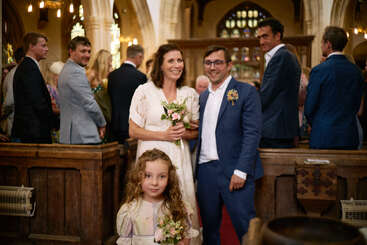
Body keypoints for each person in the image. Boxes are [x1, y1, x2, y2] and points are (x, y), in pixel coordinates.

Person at [129, 43, 201, 244]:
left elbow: (195, 131)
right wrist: (164, 135)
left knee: (180, 203)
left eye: (179, 60)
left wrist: (184, 132)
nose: (177, 65)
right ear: (160, 65)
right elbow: (133, 130)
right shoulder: (144, 91)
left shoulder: (189, 93)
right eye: (171, 60)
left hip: (179, 157)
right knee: (152, 206)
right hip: (151, 156)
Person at [196, 45, 263, 244]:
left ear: (229, 65)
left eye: (218, 62)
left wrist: (241, 170)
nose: (212, 67)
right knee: (209, 230)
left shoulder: (245, 92)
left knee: (245, 228)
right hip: (205, 171)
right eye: (208, 63)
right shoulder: (202, 97)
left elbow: (252, 133)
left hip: (234, 170)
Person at [116, 148, 198, 244]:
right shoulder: (130, 210)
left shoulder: (177, 207)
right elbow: (125, 241)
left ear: (169, 178)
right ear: (138, 176)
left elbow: (186, 236)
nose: (154, 183)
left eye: (162, 176)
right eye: (148, 176)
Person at [305, 26, 363, 149]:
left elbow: (309, 106)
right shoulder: (356, 71)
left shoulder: (319, 70)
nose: (321, 45)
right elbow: (357, 104)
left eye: (322, 42)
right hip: (348, 135)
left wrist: (317, 124)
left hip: (323, 135)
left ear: (328, 44)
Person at [257, 18, 301, 148]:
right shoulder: (283, 56)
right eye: (259, 37)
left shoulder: (282, 57)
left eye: (265, 36)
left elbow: (266, 95)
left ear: (278, 36)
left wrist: (243, 106)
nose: (261, 41)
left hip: (276, 129)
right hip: (279, 129)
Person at [58, 36, 106, 144]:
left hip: (73, 134)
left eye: (89, 51)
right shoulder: (75, 72)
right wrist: (102, 123)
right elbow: (89, 103)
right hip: (82, 135)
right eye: (83, 51)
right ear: (71, 51)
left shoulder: (67, 69)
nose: (87, 55)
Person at [12, 32, 56, 143]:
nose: (47, 49)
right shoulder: (29, 68)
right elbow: (37, 102)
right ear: (31, 46)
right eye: (43, 45)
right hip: (33, 131)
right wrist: (54, 120)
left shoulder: (29, 66)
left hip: (32, 129)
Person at [108, 45, 147, 144]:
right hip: (133, 125)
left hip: (114, 124)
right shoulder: (140, 77)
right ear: (139, 56)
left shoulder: (112, 75)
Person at [87, 49, 113, 142]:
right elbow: (84, 92)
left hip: (105, 111)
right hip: (96, 112)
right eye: (109, 61)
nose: (111, 63)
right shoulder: (92, 74)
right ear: (104, 61)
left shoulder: (106, 74)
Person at [1, 47, 25, 136]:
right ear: (22, 59)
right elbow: (9, 102)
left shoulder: (20, 72)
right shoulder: (15, 75)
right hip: (13, 122)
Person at [46, 61, 64, 143]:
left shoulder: (59, 89)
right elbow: (52, 109)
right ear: (55, 75)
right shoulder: (49, 89)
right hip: (53, 126)